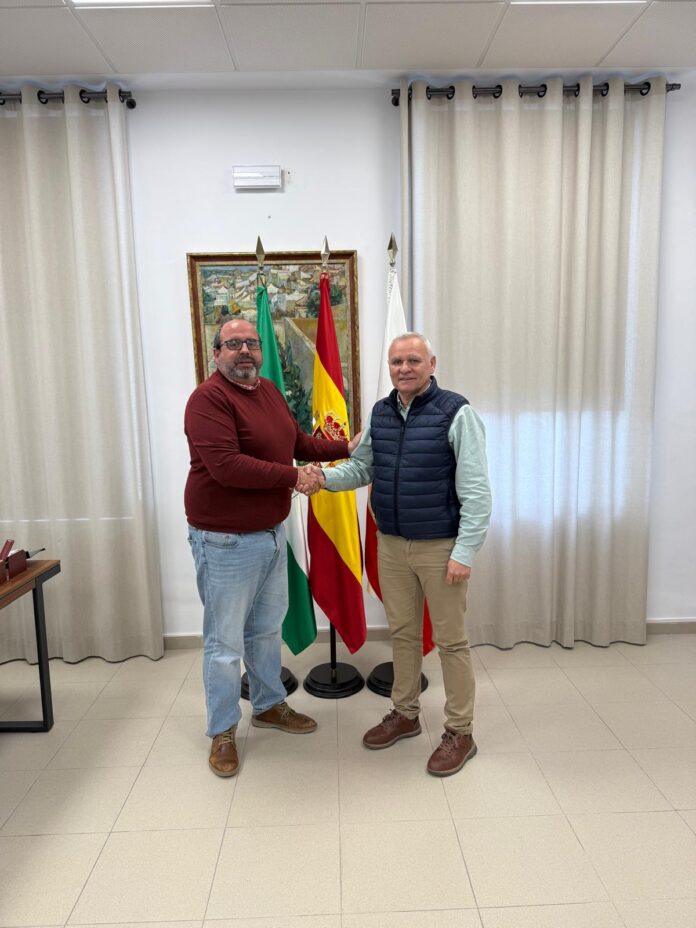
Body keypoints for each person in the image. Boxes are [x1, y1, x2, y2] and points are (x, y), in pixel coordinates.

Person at [315, 332, 491, 777]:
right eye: (397, 362)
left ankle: (460, 732)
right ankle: (406, 714)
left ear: (432, 363)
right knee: (404, 635)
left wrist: (464, 552)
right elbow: (363, 468)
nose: (404, 368)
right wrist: (322, 479)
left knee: (451, 642)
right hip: (391, 545)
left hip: (440, 547)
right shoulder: (380, 412)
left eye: (414, 360)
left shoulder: (457, 412)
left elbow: (477, 492)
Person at [185, 318, 355, 777]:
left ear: (261, 351)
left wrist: (347, 446)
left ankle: (267, 706)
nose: (244, 350)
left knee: (264, 631)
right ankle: (223, 730)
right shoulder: (207, 400)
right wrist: (295, 477)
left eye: (251, 343)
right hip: (225, 541)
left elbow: (296, 443)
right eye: (233, 343)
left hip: (271, 534)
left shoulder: (270, 392)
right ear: (216, 353)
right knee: (224, 643)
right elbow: (227, 466)